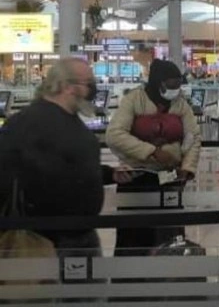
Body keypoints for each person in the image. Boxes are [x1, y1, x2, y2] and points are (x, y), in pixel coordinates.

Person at [0, 58, 133, 253]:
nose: (92, 91)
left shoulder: (70, 120)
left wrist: (108, 174)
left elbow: (69, 168)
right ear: (66, 86)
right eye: (88, 84)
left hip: (79, 233)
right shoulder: (27, 124)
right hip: (45, 240)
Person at [105, 59, 201, 255]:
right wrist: (152, 151)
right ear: (158, 82)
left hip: (170, 179)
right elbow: (115, 135)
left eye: (178, 84)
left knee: (170, 238)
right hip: (136, 179)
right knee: (134, 238)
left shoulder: (180, 105)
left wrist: (187, 168)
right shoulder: (134, 99)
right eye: (171, 85)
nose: (175, 90)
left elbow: (193, 137)